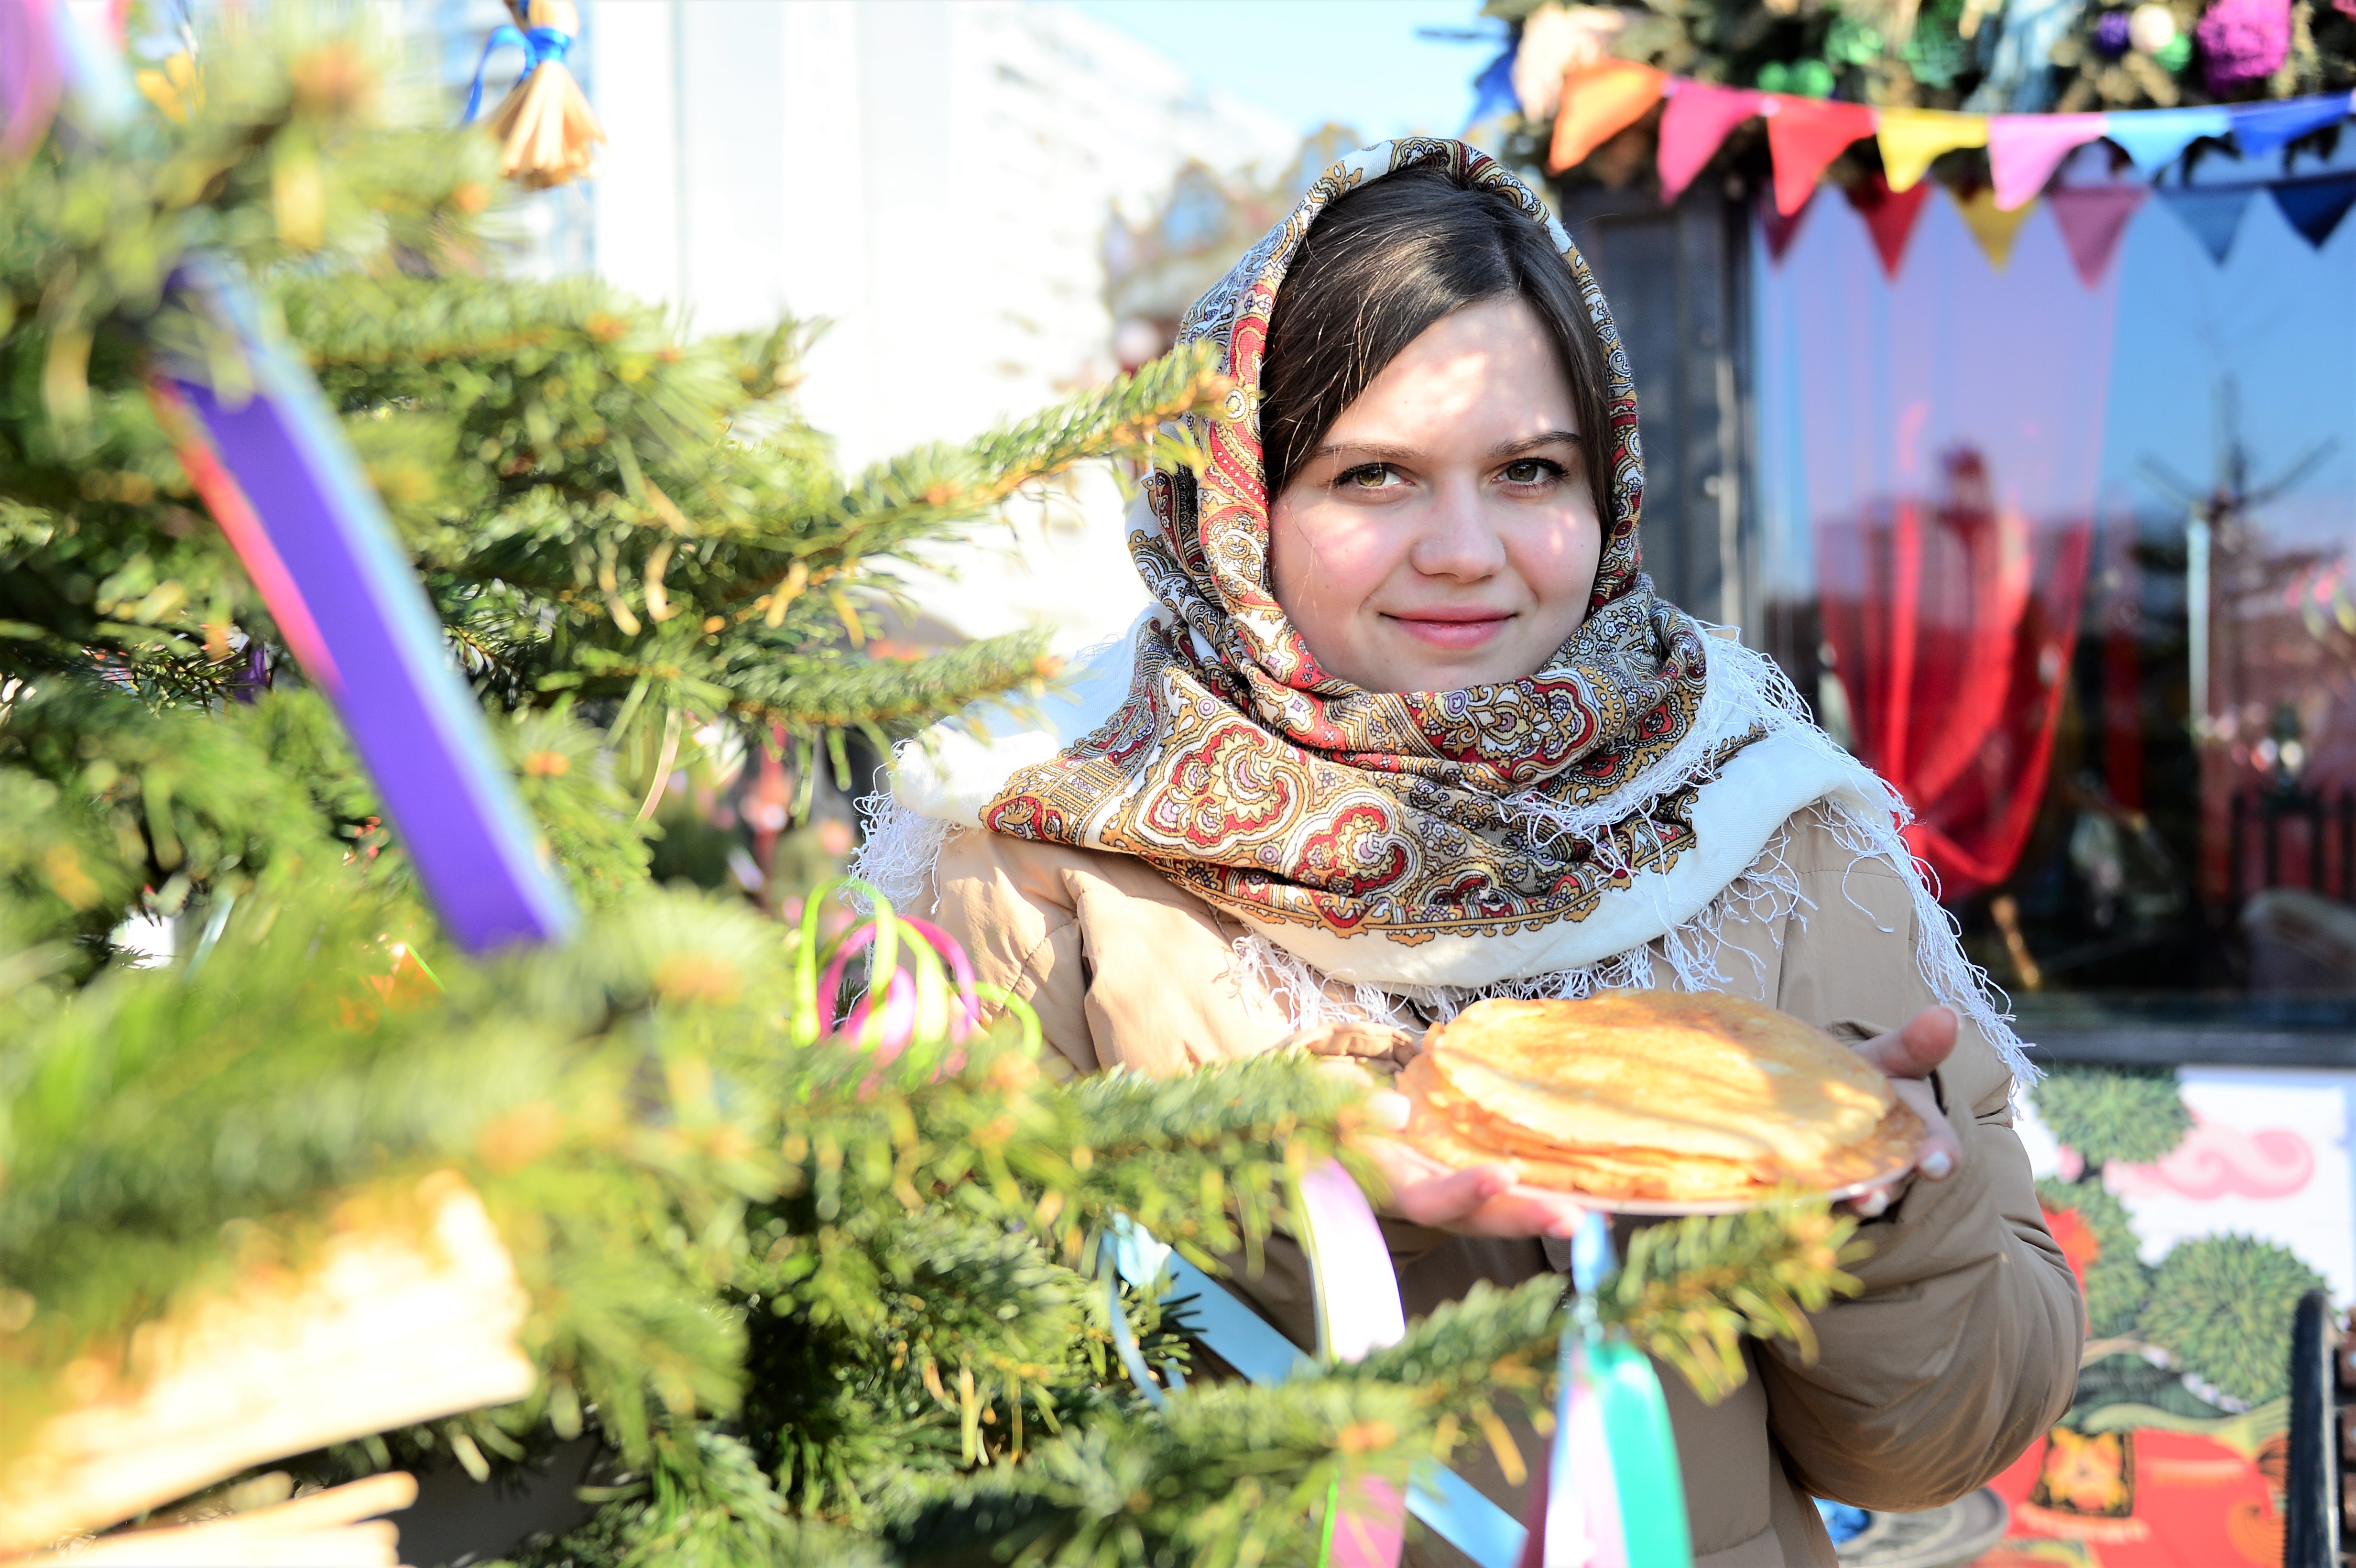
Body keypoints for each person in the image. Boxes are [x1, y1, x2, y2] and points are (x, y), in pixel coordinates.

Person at [858, 141, 2081, 1567]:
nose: (1464, 548)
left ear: (1608, 482)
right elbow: (901, 1387)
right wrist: (1294, 1193)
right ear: (1235, 504)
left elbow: (1940, 1443)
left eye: (1528, 470)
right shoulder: (1034, 851)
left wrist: (1873, 1222)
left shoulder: (1763, 821)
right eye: (1374, 475)